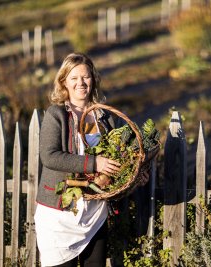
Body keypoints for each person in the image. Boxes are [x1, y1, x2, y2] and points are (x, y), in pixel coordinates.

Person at [34, 53, 147, 267]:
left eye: (85, 77)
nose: (81, 83)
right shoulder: (56, 114)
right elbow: (50, 156)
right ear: (64, 82)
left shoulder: (105, 118)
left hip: (95, 214)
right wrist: (95, 163)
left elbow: (119, 157)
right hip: (59, 216)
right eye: (74, 78)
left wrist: (134, 175)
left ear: (93, 79)